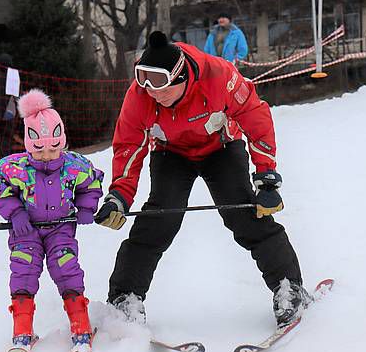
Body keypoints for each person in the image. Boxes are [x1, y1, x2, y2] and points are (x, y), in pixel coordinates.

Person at [94, 31, 306, 329]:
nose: (150, 91)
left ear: (181, 79)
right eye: (143, 80)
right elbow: (129, 145)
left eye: (159, 84)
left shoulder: (218, 76)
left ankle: (289, 288)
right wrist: (119, 195)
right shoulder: (140, 95)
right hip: (171, 153)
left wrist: (266, 178)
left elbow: (255, 118)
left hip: (220, 147)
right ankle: (125, 298)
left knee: (244, 214)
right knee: (160, 219)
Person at [0, 89, 104, 352]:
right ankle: (22, 330)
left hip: (60, 229)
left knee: (67, 268)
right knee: (23, 271)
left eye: (54, 147)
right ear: (29, 145)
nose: (47, 154)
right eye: (39, 149)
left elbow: (91, 182)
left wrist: (86, 207)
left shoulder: (74, 165)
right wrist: (15, 213)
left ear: (62, 141)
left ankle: (80, 326)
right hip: (26, 231)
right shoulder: (15, 169)